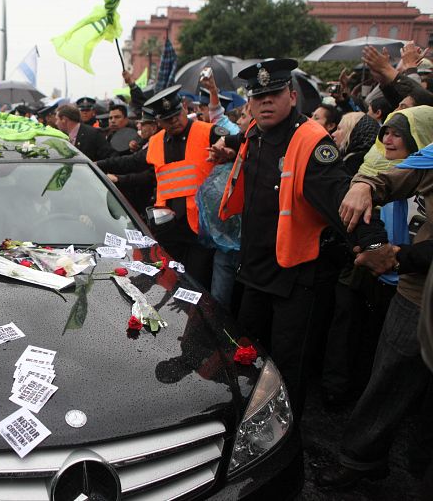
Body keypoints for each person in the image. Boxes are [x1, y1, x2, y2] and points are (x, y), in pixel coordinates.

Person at [212, 58, 392, 420]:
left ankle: (283, 437)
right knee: (248, 356)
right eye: (257, 95)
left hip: (295, 279)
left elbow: (341, 196)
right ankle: (244, 423)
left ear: (291, 97)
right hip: (256, 272)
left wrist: (373, 243)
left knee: (287, 367)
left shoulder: (310, 140)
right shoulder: (254, 136)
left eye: (274, 94)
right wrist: (227, 148)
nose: (265, 101)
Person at [318, 105, 433, 488]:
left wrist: (398, 257)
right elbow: (392, 176)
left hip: (412, 271)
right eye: (384, 131)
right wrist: (364, 185)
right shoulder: (428, 161)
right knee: (387, 376)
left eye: (397, 132)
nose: (388, 139)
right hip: (417, 293)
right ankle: (361, 459)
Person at [98, 84, 228, 288]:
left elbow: (237, 142)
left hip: (200, 230)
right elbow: (131, 162)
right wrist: (97, 165)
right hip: (168, 228)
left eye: (177, 114)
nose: (174, 121)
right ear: (158, 121)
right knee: (168, 283)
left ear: (184, 108)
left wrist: (226, 144)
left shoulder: (209, 132)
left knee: (196, 285)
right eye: (167, 119)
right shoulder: (157, 141)